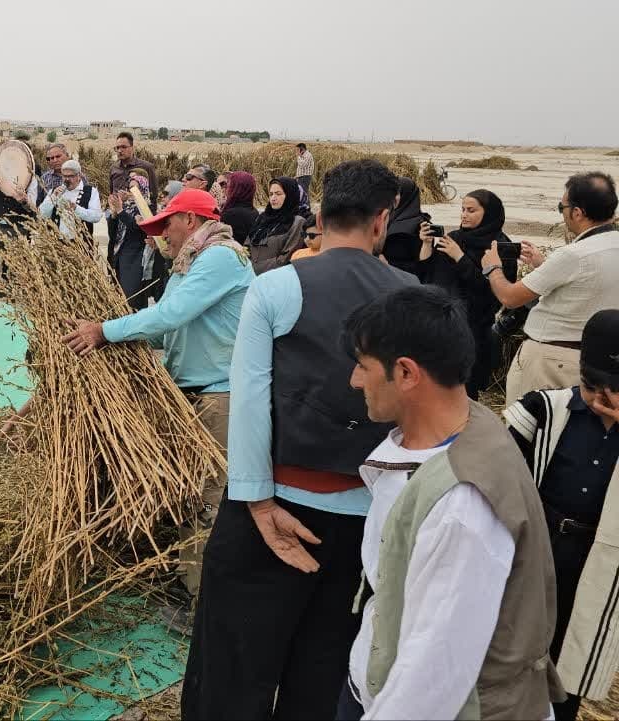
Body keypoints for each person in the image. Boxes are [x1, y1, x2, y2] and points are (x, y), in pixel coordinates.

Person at [182, 159, 418, 720]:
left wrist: (257, 500)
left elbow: (249, 403)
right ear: (382, 221)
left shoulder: (278, 286)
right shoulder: (410, 295)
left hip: (273, 511)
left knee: (232, 673)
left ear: (318, 212)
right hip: (366, 522)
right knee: (326, 671)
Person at [340, 284, 559, 721]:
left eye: (363, 367)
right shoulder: (466, 424)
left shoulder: (461, 504)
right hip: (374, 683)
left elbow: (434, 672)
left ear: (405, 373)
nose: (355, 381)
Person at [62, 188, 254, 615]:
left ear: (189, 219)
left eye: (166, 225)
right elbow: (165, 330)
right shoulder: (191, 264)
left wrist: (104, 330)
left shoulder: (221, 257)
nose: (161, 236)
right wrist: (111, 334)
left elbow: (169, 316)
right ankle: (190, 581)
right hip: (193, 392)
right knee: (193, 493)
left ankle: (202, 604)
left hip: (219, 395)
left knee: (207, 497)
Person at [506, 309, 619, 721]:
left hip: (597, 561)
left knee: (568, 665)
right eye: (594, 388)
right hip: (539, 547)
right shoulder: (541, 411)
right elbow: (500, 485)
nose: (605, 401)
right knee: (512, 650)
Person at [487, 172, 619, 402]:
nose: (563, 212)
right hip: (597, 363)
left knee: (527, 433)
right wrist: (544, 267)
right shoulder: (607, 245)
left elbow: (509, 297)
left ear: (577, 213)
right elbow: (588, 283)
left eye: (562, 206)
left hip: (550, 363)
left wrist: (492, 269)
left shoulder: (573, 255)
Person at [417, 189, 510, 399]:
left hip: (474, 330)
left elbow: (495, 291)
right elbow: (428, 275)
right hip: (442, 325)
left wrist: (459, 257)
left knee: (466, 393)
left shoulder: (499, 246)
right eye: (462, 209)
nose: (464, 215)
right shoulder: (454, 238)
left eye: (471, 210)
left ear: (489, 213)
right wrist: (425, 245)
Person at [0, 152, 39, 298]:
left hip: (19, 228)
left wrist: (23, 199)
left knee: (17, 268)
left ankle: (14, 306)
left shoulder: (29, 176)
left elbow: (34, 207)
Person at [106, 171, 158, 311]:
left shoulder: (148, 207)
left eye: (135, 189)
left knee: (133, 297)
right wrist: (114, 214)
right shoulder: (126, 206)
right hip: (120, 256)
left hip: (136, 257)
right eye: (130, 188)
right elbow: (113, 233)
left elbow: (139, 230)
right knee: (119, 294)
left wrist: (121, 212)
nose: (131, 192)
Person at [108, 132, 158, 265]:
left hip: (136, 224)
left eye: (124, 147)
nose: (120, 150)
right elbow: (111, 192)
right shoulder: (114, 168)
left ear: (132, 147)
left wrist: (150, 227)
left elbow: (152, 198)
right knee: (114, 260)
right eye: (117, 148)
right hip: (117, 220)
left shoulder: (146, 167)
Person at [246, 177, 307, 274]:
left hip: (276, 279)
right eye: (271, 194)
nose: (273, 198)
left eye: (278, 194)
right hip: (251, 278)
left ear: (290, 195)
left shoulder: (297, 222)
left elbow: (286, 258)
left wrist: (255, 268)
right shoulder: (262, 218)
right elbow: (246, 247)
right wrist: (247, 266)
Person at [38, 159, 102, 248]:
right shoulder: (54, 191)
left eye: (71, 176)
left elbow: (96, 216)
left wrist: (76, 209)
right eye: (64, 176)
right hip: (56, 243)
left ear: (79, 175)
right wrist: (52, 198)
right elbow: (42, 214)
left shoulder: (91, 191)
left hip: (82, 245)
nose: (67, 179)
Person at [219, 171, 258, 245]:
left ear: (236, 189)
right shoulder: (254, 212)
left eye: (229, 186)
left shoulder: (230, 215)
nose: (226, 189)